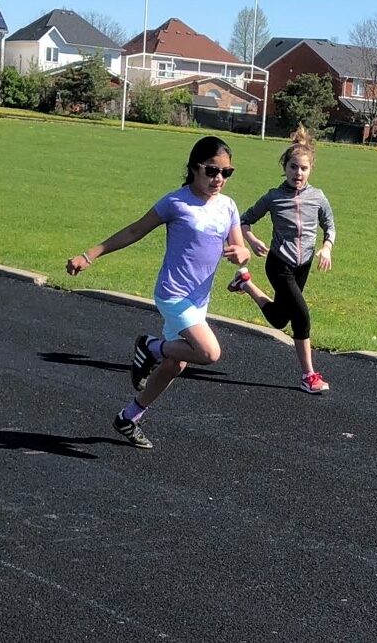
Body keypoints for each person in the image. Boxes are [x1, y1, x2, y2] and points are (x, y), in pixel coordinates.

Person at [66, 136, 252, 449]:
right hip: (173, 294)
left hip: (198, 300)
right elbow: (135, 230)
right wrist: (90, 255)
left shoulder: (228, 206)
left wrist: (242, 255)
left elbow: (239, 247)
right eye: (211, 171)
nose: (219, 178)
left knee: (175, 365)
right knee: (210, 353)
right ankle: (151, 347)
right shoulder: (175, 203)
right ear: (194, 168)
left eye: (226, 173)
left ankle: (128, 416)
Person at [232, 127, 337, 393]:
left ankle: (245, 283)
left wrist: (327, 247)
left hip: (304, 265)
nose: (298, 174)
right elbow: (243, 221)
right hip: (279, 264)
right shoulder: (273, 197)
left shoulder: (318, 197)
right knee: (302, 315)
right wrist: (252, 240)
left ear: (310, 169)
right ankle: (309, 376)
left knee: (280, 320)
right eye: (293, 167)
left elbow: (330, 225)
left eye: (303, 168)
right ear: (285, 167)